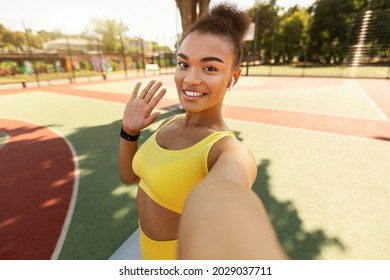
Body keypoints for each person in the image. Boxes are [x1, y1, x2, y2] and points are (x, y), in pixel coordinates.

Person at [119, 2, 287, 260]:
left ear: (233, 77)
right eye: (183, 64)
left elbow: (225, 193)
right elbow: (130, 176)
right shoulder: (166, 124)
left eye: (210, 68)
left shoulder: (228, 151)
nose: (190, 79)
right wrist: (129, 133)